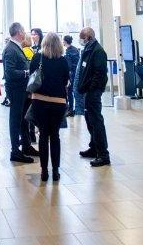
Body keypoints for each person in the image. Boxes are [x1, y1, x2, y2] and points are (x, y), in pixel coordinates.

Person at [29, 32, 70, 182]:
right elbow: (66, 80)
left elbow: (32, 78)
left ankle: (44, 171)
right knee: (55, 136)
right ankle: (56, 171)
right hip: (58, 102)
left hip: (39, 101)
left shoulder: (37, 58)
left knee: (43, 135)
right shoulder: (63, 61)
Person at [3, 22, 37, 163]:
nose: (25, 33)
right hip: (16, 90)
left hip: (21, 90)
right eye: (23, 31)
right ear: (18, 32)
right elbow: (9, 73)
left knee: (23, 119)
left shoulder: (16, 47)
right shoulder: (11, 49)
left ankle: (26, 146)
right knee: (15, 119)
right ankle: (15, 151)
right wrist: (26, 72)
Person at [77, 27, 111, 167]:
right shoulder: (88, 50)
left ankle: (103, 154)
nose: (81, 40)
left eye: (82, 38)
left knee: (96, 121)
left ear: (89, 38)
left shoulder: (98, 51)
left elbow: (99, 74)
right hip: (87, 91)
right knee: (89, 120)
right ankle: (94, 147)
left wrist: (91, 89)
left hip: (93, 92)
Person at [64, 35, 79, 116]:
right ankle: (75, 108)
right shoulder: (75, 49)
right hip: (76, 73)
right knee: (74, 92)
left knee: (69, 92)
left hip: (71, 74)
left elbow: (68, 66)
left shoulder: (68, 52)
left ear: (65, 41)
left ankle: (70, 109)